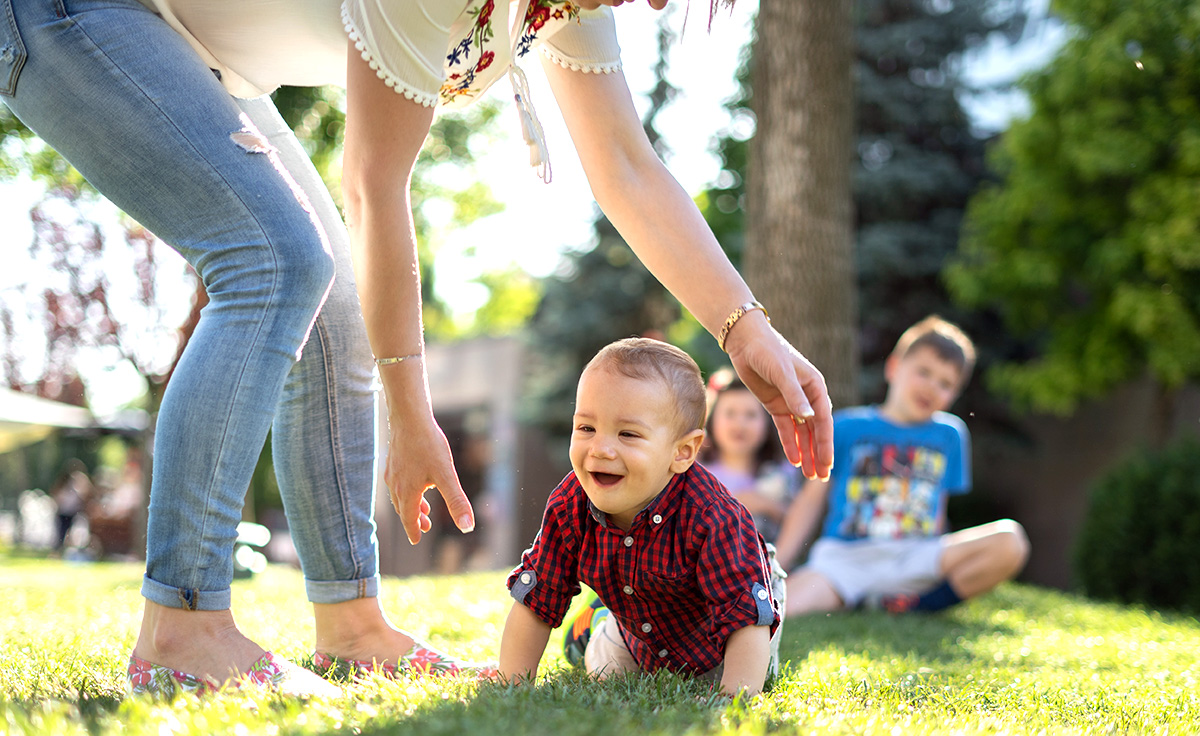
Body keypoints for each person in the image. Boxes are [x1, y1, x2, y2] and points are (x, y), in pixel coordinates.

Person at [1, 0, 831, 698]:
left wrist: (746, 330)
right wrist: (409, 411)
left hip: (189, 46)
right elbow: (373, 181)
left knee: (325, 293)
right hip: (80, 10)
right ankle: (181, 631)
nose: (656, 5)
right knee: (279, 259)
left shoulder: (572, 4)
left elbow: (626, 167)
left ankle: (352, 626)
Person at [498, 338, 784, 697]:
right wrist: (510, 682)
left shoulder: (714, 516)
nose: (600, 449)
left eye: (628, 434)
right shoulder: (569, 504)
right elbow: (537, 598)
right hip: (638, 632)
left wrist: (736, 701)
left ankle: (598, 617)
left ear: (682, 453)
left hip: (724, 636)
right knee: (606, 672)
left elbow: (745, 617)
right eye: (586, 428)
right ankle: (595, 623)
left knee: (734, 675)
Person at [774, 316, 1029, 616]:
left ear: (955, 394)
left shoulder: (951, 435)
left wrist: (941, 557)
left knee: (1011, 541)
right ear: (894, 367)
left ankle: (915, 606)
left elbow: (938, 510)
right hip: (844, 561)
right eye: (924, 372)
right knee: (781, 607)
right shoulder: (846, 427)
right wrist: (779, 564)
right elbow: (810, 502)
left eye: (946, 383)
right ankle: (865, 598)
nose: (932, 387)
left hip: (915, 558)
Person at [700, 368, 799, 543]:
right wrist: (740, 502)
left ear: (768, 423)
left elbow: (799, 520)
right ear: (712, 418)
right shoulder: (696, 471)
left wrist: (768, 505)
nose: (740, 424)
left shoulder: (784, 472)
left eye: (751, 415)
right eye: (730, 414)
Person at [50, 459, 92, 552]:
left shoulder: (81, 480)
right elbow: (56, 494)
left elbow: (86, 494)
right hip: (64, 511)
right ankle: (59, 549)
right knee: (62, 532)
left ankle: (78, 549)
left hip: (76, 511)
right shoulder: (63, 482)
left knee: (79, 531)